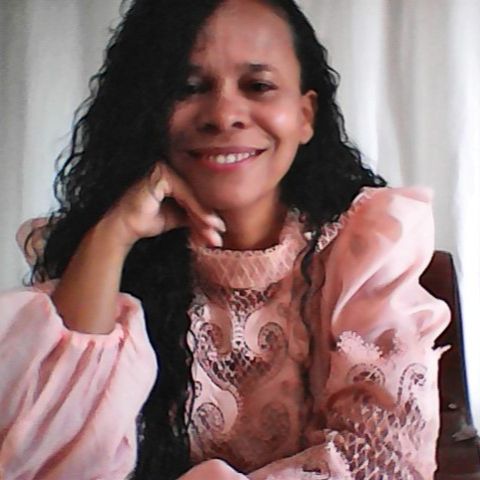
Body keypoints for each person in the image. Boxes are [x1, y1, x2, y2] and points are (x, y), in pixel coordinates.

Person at [0, 0, 450, 479]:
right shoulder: (97, 253)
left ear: (305, 115)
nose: (223, 114)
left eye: (258, 86)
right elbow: (42, 465)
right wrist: (113, 236)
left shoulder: (365, 247)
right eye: (189, 88)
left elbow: (382, 463)